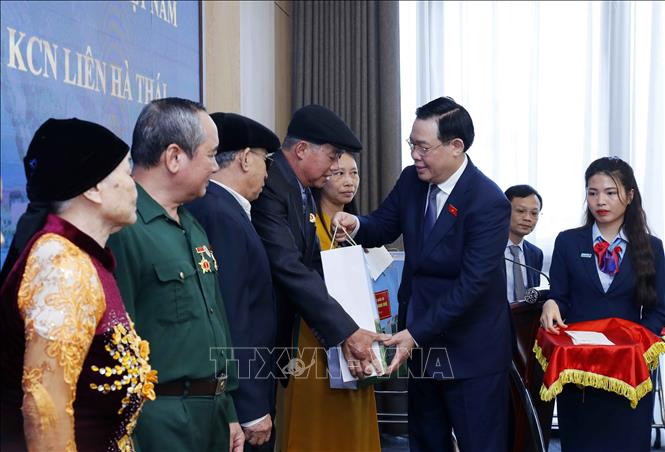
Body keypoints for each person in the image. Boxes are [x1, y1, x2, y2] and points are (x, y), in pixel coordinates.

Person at [333, 96, 513, 451]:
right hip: (421, 343)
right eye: (411, 144)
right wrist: (357, 223)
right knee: (427, 441)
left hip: (469, 349)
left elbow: (471, 286)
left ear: (456, 147)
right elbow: (383, 225)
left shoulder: (488, 201)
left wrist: (414, 333)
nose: (415, 154)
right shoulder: (412, 181)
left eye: (423, 146)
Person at [0, 118, 156, 451]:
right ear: (93, 188)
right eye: (126, 174)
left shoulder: (86, 259)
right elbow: (46, 409)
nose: (134, 186)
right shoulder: (62, 265)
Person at [107, 98, 244, 452]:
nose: (216, 167)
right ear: (174, 157)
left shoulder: (192, 225)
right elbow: (115, 346)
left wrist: (227, 408)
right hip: (160, 424)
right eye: (211, 154)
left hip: (210, 417)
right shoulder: (124, 229)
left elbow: (217, 319)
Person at [250, 104, 381, 450]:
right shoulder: (273, 188)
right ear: (302, 149)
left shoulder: (300, 188)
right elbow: (290, 267)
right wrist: (347, 330)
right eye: (333, 155)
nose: (337, 167)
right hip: (280, 337)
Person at [540, 156, 665, 451]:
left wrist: (636, 346)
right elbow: (559, 295)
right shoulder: (568, 242)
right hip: (580, 367)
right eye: (593, 192)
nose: (600, 201)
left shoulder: (652, 247)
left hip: (629, 369)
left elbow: (660, 308)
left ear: (630, 195)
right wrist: (550, 303)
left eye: (610, 192)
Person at [186, 112, 279, 450]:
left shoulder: (225, 209)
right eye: (264, 161)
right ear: (244, 159)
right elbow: (232, 315)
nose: (267, 173)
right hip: (238, 400)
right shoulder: (219, 214)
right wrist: (250, 406)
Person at [277, 151, 380, 451]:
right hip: (315, 341)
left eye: (354, 173)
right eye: (339, 173)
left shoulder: (357, 230)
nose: (349, 182)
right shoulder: (308, 228)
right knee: (318, 424)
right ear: (322, 178)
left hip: (358, 341)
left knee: (354, 422)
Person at [504, 184, 544, 302]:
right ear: (504, 210)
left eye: (534, 213)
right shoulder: (486, 248)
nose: (528, 218)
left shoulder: (535, 254)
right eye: (521, 211)